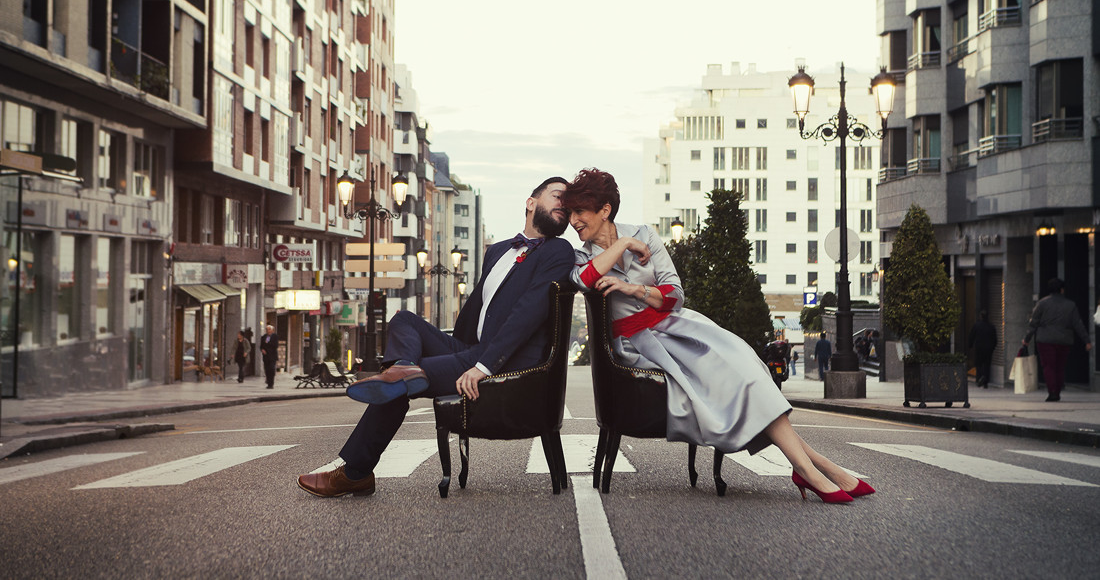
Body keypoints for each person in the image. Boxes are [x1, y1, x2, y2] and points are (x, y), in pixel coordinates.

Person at [563, 168, 873, 504]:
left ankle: (814, 467)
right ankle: (816, 469)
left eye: (580, 212)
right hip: (639, 345)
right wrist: (622, 244)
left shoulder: (645, 234)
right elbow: (585, 279)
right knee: (736, 380)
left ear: (604, 209)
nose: (573, 221)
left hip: (678, 327)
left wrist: (634, 288)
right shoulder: (581, 254)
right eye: (570, 214)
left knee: (749, 372)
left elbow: (674, 293)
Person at [298, 177, 574, 498]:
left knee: (397, 387)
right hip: (471, 349)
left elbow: (527, 314)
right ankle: (402, 367)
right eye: (557, 197)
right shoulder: (498, 250)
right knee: (404, 320)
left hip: (504, 361)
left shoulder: (559, 251)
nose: (563, 206)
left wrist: (484, 365)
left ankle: (356, 471)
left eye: (568, 206)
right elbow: (481, 308)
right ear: (531, 202)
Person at [1022, 278, 1093, 402]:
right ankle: (1058, 391)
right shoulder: (1070, 305)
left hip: (1045, 340)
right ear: (1061, 290)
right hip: (1064, 341)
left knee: (1048, 366)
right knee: (1060, 367)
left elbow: (1033, 323)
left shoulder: (1042, 303)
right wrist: (1086, 340)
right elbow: (1078, 324)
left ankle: (1052, 392)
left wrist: (1027, 339)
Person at [969, 311, 997, 388]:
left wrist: (970, 345)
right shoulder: (991, 326)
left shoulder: (977, 325)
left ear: (981, 316)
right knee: (987, 365)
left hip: (979, 348)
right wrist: (993, 347)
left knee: (979, 364)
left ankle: (979, 378)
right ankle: (985, 382)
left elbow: (972, 336)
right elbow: (995, 339)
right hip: (988, 349)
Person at [260, 324, 278, 389]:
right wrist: (262, 350)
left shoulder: (275, 337)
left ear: (272, 330)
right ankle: (268, 382)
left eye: (269, 329)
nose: (268, 331)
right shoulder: (263, 337)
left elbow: (275, 345)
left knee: (271, 369)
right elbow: (261, 346)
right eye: (267, 329)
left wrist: (268, 343)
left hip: (272, 356)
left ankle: (271, 383)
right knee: (267, 370)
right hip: (266, 356)